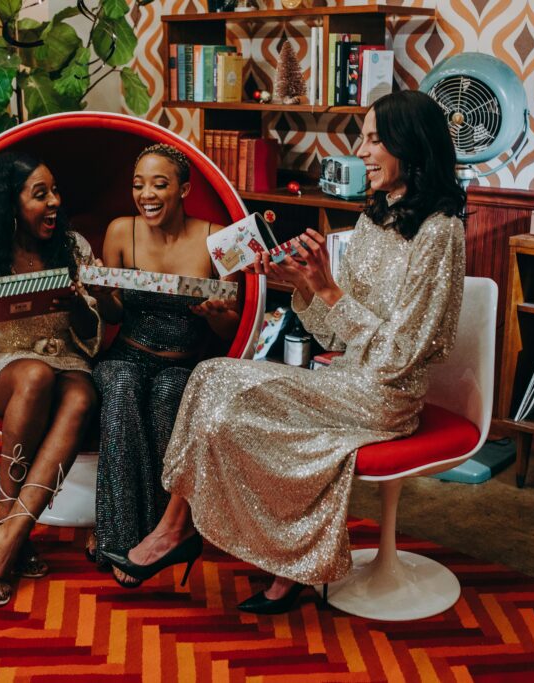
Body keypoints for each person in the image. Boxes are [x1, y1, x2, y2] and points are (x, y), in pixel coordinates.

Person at [100, 90, 467, 613]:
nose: (360, 151)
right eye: (362, 137)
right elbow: (335, 339)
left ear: (412, 147)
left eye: (374, 139)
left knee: (223, 388)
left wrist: (331, 291)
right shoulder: (375, 217)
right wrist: (300, 285)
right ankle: (181, 529)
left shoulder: (440, 233)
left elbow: (400, 356)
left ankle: (218, 544)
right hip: (346, 377)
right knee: (208, 376)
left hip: (388, 397)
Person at [0, 151, 101, 606]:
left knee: (81, 397)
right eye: (40, 194)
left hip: (67, 358)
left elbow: (90, 336)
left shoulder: (73, 248)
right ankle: (6, 525)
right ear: (11, 204)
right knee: (34, 377)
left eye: (55, 191)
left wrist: (77, 308)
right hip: (5, 366)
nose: (54, 202)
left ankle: (10, 533)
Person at [89, 144, 239, 587]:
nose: (146, 194)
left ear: (184, 189)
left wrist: (217, 315)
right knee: (120, 385)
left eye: (159, 184)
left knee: (171, 393)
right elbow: (114, 315)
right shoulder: (120, 231)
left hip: (184, 363)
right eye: (138, 184)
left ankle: (160, 535)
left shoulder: (222, 237)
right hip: (127, 355)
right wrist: (101, 295)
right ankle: (117, 533)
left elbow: (235, 331)